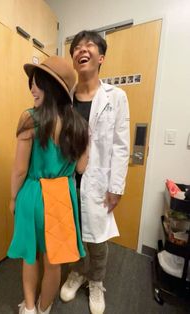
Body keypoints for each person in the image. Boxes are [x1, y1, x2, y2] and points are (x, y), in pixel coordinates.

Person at [7, 56, 89, 314]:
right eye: (31, 83)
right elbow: (81, 168)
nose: (32, 88)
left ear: (53, 88)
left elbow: (20, 169)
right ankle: (44, 307)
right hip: (63, 198)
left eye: (38, 83)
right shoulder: (80, 125)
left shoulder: (29, 118)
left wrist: (12, 199)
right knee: (54, 262)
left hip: (32, 195)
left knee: (30, 256)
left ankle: (29, 308)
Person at [60, 30, 130, 314]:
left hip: (99, 181)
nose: (81, 50)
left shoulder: (116, 96)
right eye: (76, 47)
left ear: (101, 57)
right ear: (74, 58)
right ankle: (78, 272)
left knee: (98, 239)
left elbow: (121, 145)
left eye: (89, 46)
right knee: (74, 231)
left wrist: (116, 187)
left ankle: (96, 281)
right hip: (67, 178)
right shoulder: (66, 99)